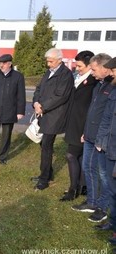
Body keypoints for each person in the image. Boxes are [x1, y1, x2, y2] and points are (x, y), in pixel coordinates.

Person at [72, 54, 114, 223]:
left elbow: (109, 117)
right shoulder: (99, 84)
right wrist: (85, 131)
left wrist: (101, 139)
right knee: (88, 168)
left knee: (104, 174)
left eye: (94, 69)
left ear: (105, 68)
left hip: (102, 140)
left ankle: (102, 207)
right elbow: (93, 111)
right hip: (89, 135)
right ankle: (92, 201)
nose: (92, 72)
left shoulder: (113, 87)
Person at [32, 48, 74, 191]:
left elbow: (60, 96)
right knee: (44, 145)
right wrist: (36, 103)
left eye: (51, 61)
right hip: (43, 113)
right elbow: (38, 89)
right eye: (47, 61)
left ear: (59, 60)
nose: (48, 64)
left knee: (46, 146)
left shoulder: (66, 75)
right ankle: (47, 173)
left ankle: (44, 179)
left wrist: (43, 107)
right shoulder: (49, 72)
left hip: (54, 116)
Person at [60, 51, 96, 201]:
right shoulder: (79, 78)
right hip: (73, 123)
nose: (77, 68)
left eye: (80, 66)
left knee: (71, 155)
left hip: (82, 125)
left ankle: (73, 189)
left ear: (89, 66)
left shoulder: (93, 82)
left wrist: (86, 129)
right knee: (79, 156)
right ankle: (82, 186)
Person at [95, 57, 116, 244]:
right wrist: (101, 141)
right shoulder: (114, 90)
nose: (112, 73)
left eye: (114, 70)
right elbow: (107, 118)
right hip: (109, 145)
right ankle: (113, 223)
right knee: (112, 188)